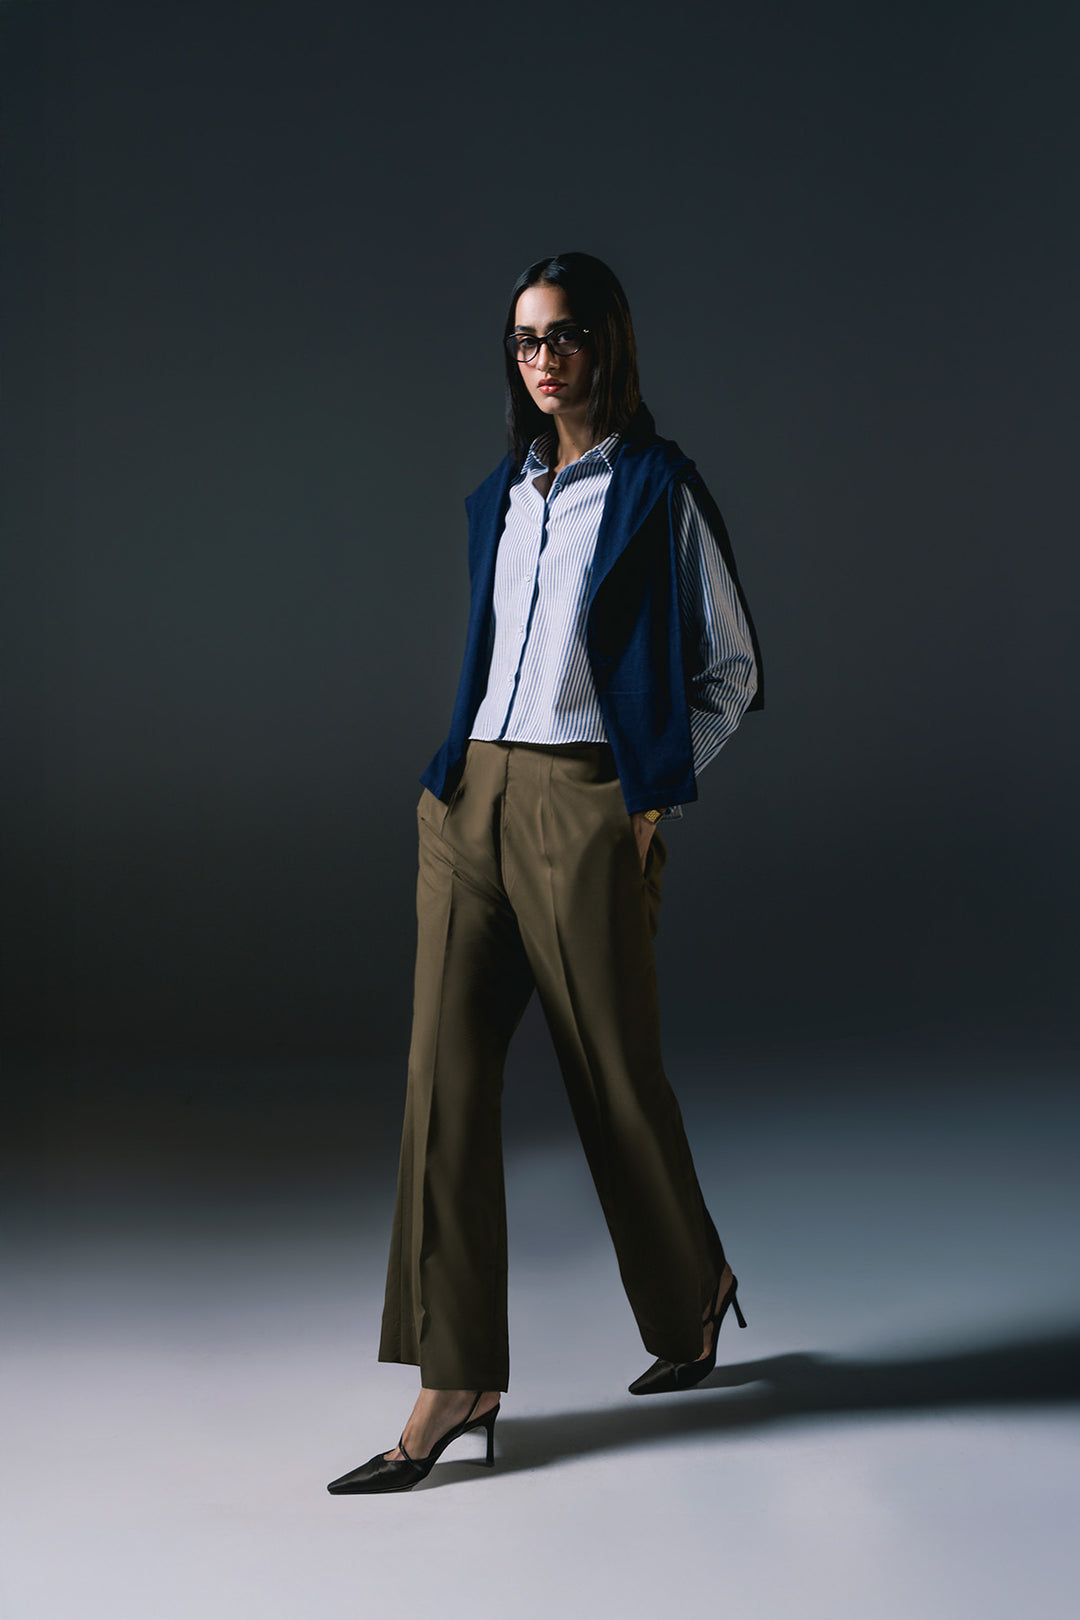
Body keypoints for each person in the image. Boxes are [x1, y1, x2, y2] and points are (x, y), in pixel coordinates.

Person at [327, 252, 764, 1495]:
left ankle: (693, 1292)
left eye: (564, 334)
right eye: (524, 340)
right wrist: (447, 784)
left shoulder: (658, 489)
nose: (543, 358)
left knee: (611, 1076)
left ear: (606, 343)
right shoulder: (501, 499)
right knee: (442, 1082)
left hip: (583, 802)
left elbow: (733, 673)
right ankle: (456, 1377)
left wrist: (647, 793)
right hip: (469, 798)